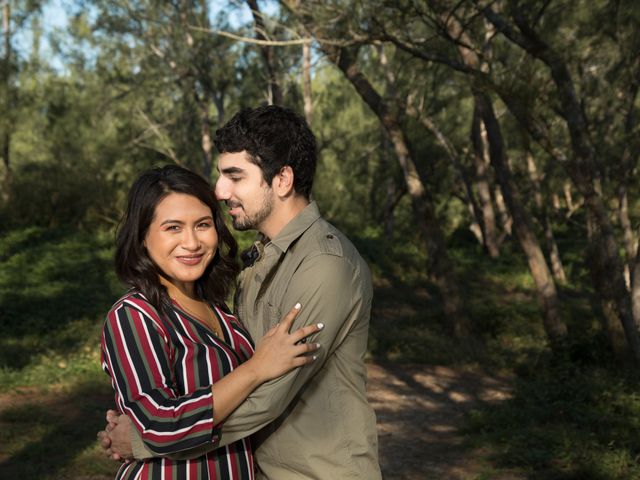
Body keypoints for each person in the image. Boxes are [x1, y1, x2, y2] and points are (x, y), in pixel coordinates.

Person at [100, 105, 382, 479]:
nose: (220, 191)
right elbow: (228, 382)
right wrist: (152, 427)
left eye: (234, 176)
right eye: (172, 228)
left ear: (281, 180)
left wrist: (143, 440)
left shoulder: (325, 265)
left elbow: (268, 397)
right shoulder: (255, 265)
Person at [100, 164, 322, 479]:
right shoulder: (133, 316)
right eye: (173, 228)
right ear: (142, 238)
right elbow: (159, 425)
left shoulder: (221, 312)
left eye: (202, 224)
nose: (192, 243)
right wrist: (256, 367)